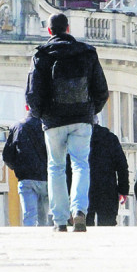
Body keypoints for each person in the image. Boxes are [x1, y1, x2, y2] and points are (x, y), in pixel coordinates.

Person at [25, 12, 109, 233]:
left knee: (56, 167)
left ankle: (60, 220)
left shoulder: (42, 55)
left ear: (50, 31)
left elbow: (33, 93)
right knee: (81, 164)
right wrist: (91, 111)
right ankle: (79, 210)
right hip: (82, 118)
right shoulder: (87, 53)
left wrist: (41, 115)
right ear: (68, 29)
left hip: (53, 121)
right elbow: (101, 89)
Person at [2, 103, 50, 226]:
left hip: (26, 177)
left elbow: (7, 155)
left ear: (26, 107)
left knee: (29, 216)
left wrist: (16, 167)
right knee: (43, 219)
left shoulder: (17, 127)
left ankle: (30, 242)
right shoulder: (48, 126)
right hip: (46, 177)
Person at [82, 121, 129, 226]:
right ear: (97, 121)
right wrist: (123, 190)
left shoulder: (78, 138)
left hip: (83, 189)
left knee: (83, 225)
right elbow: (122, 167)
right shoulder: (111, 138)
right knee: (107, 226)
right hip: (107, 188)